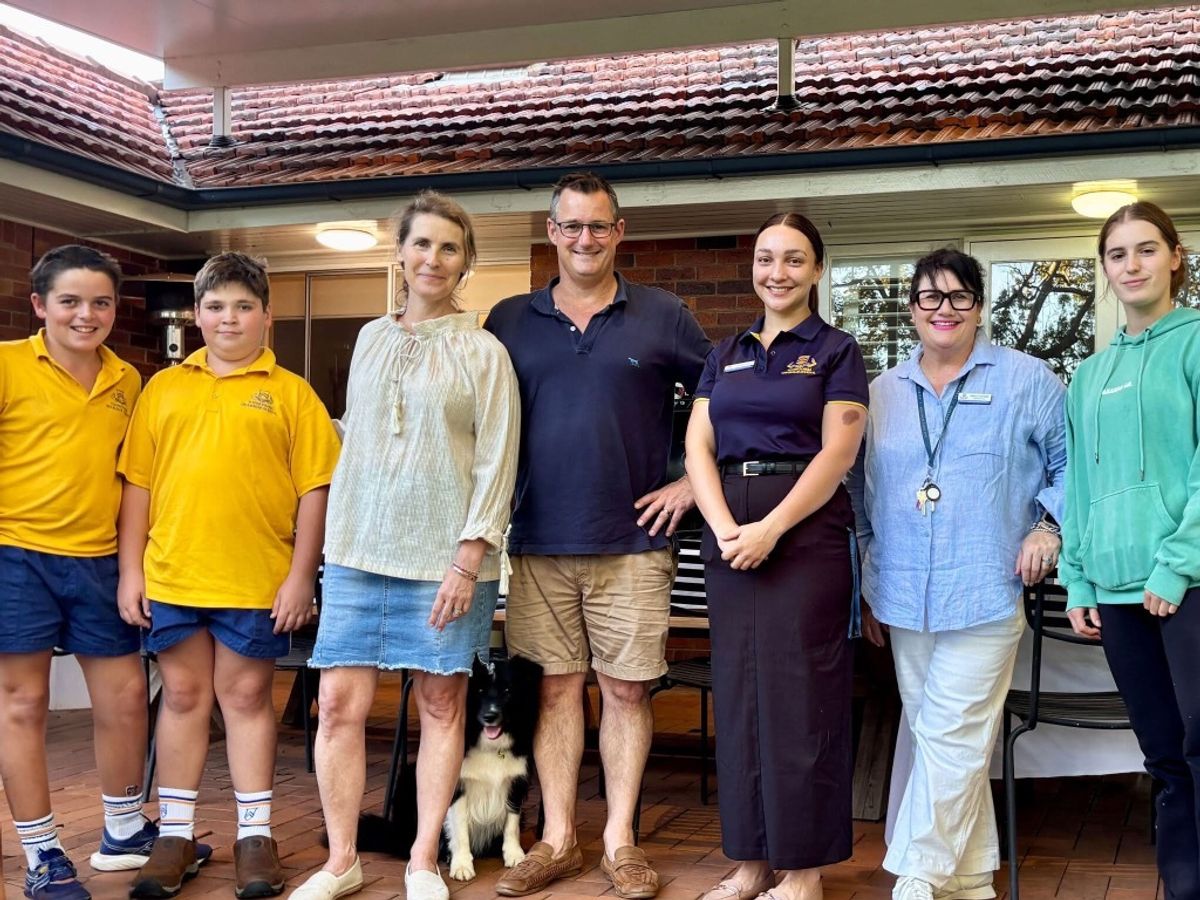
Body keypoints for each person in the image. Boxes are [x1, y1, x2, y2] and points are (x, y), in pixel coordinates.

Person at [484, 172, 712, 899]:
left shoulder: (664, 315)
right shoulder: (507, 320)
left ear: (619, 232)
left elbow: (726, 397)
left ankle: (619, 841)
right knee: (554, 693)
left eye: (598, 226)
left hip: (633, 543)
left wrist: (691, 483)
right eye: (572, 225)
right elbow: (480, 422)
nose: (585, 239)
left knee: (626, 691)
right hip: (538, 540)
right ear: (552, 232)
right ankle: (557, 840)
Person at [292, 191, 520, 900]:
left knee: (442, 705)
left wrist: (468, 558)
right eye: (422, 243)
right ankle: (342, 860)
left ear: (466, 262)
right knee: (337, 705)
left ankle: (424, 859)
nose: (433, 258)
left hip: (445, 561)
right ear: (399, 253)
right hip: (358, 552)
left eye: (449, 248)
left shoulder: (485, 352)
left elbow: (498, 460)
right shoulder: (369, 338)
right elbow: (357, 440)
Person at [117, 252, 341, 900]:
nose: (229, 318)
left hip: (254, 579)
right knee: (183, 696)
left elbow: (315, 491)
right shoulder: (164, 389)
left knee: (245, 699)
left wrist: (301, 577)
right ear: (197, 314)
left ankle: (255, 834)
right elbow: (138, 486)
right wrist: (131, 571)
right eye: (216, 306)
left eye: (244, 307)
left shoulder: (292, 394)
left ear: (267, 316)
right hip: (175, 574)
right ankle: (175, 834)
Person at [849, 248, 1066, 900]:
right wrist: (867, 581)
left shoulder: (1028, 379)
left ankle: (915, 877)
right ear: (912, 307)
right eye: (930, 296)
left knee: (953, 734)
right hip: (902, 592)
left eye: (958, 296)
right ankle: (969, 881)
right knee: (942, 740)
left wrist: (1048, 527)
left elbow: (1075, 467)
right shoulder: (880, 393)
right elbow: (859, 495)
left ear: (979, 305)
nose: (944, 309)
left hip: (987, 586)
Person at [684, 213, 867, 900]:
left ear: (817, 269)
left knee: (801, 699)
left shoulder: (837, 351)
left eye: (793, 259)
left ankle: (804, 870)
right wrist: (726, 526)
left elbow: (838, 454)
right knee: (739, 697)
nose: (777, 272)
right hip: (730, 536)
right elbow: (698, 446)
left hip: (805, 538)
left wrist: (771, 528)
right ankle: (752, 862)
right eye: (766, 258)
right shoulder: (725, 351)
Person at [0, 246, 157, 900]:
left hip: (99, 560)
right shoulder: (7, 364)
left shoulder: (128, 381)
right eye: (69, 301)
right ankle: (42, 854)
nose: (85, 315)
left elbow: (132, 481)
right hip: (16, 556)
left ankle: (124, 829)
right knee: (22, 703)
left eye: (100, 302)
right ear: (40, 305)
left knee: (124, 697)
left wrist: (131, 568)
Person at [1061, 202, 1200, 899]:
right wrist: (1078, 580)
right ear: (1105, 268)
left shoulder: (1196, 343)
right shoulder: (1088, 376)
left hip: (1188, 584)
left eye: (1147, 249)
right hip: (1116, 592)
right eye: (1117, 254)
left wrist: (1176, 566)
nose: (1132, 265)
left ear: (1175, 257)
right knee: (1164, 756)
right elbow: (1079, 488)